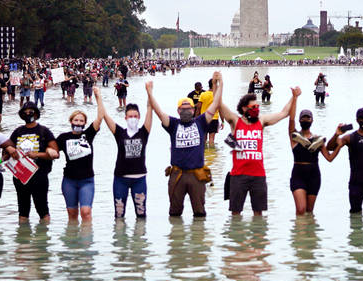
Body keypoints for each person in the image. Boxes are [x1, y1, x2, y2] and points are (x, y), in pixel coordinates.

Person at [146, 72, 222, 217]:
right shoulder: (173, 124)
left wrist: (218, 84)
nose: (186, 111)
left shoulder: (200, 122)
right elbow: (159, 113)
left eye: (189, 108)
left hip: (197, 174)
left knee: (200, 214)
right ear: (178, 111)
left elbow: (215, 104)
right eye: (183, 109)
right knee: (174, 214)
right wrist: (149, 92)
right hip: (177, 174)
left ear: (193, 110)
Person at [221, 87, 299, 216]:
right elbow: (219, 104)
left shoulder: (261, 121)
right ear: (244, 108)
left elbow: (284, 113)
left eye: (257, 106)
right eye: (253, 107)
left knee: (259, 214)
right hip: (238, 175)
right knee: (236, 213)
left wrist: (294, 97)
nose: (256, 109)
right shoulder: (236, 121)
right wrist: (217, 84)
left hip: (258, 175)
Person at [98, 87, 153, 219]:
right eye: (130, 116)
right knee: (119, 214)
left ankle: (139, 239)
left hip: (139, 178)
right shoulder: (120, 133)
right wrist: (98, 96)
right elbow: (104, 115)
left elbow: (150, 110)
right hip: (120, 178)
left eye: (135, 116)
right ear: (125, 117)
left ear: (139, 117)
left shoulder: (143, 132)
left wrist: (149, 91)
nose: (133, 118)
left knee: (141, 213)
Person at [5, 102, 59, 222]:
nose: (28, 114)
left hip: (39, 175)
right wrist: (9, 149)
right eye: (25, 112)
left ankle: (43, 238)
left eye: (31, 111)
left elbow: (55, 153)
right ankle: (23, 236)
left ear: (36, 113)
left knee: (42, 209)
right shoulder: (17, 132)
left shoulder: (44, 131)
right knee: (23, 210)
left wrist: (37, 155)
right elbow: (6, 150)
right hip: (20, 175)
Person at [55, 98, 104, 222]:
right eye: (76, 120)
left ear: (85, 123)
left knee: (86, 212)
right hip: (69, 181)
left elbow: (100, 118)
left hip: (86, 180)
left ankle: (86, 240)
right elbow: (52, 150)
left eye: (81, 121)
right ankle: (72, 240)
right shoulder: (63, 137)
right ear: (71, 121)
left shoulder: (88, 135)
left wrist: (98, 97)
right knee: (72, 214)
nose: (78, 123)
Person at [288, 103, 333, 215]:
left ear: (312, 121)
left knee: (309, 211)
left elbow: (329, 157)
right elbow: (291, 119)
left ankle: (309, 232)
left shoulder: (318, 139)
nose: (305, 120)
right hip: (298, 174)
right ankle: (299, 231)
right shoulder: (295, 137)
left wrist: (339, 142)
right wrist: (295, 98)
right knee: (301, 209)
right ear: (299, 120)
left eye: (308, 118)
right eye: (303, 118)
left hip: (314, 176)